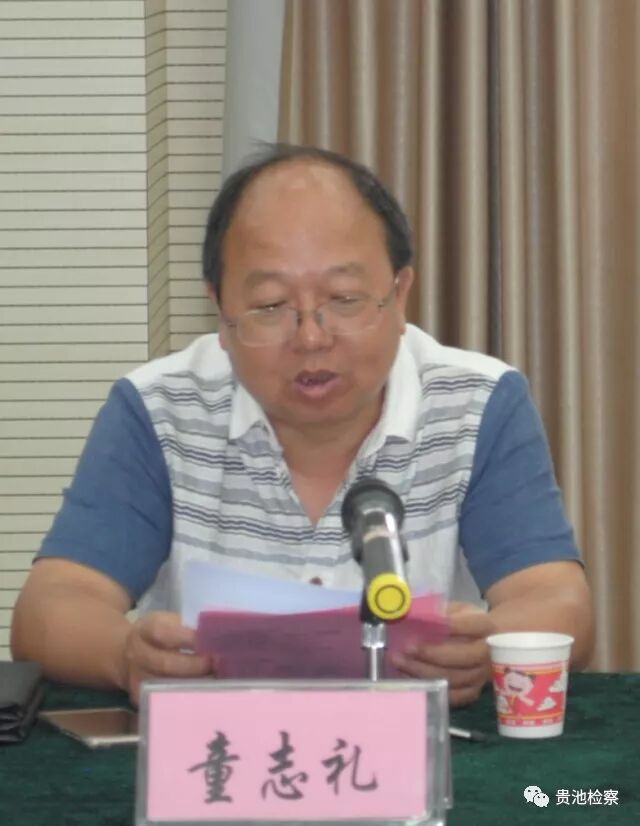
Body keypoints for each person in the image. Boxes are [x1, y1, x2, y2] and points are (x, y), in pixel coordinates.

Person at [11, 144, 594, 706]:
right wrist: (124, 655)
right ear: (221, 311)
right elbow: (52, 608)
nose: (312, 338)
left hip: (413, 753)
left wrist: (487, 650)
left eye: (344, 298)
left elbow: (554, 597)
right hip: (222, 755)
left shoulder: (478, 403)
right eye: (270, 305)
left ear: (400, 295)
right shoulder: (159, 408)